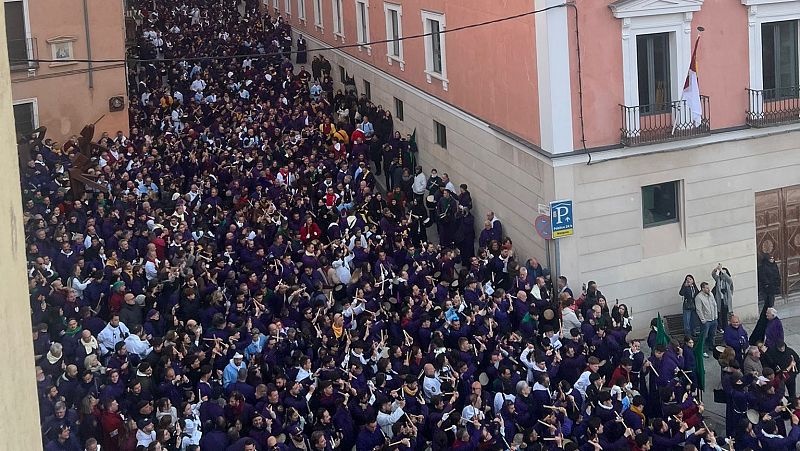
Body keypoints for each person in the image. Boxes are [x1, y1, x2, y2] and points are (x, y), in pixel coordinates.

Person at [694, 282, 717, 357]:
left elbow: (714, 305)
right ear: (702, 288)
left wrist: (716, 315)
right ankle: (702, 350)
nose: (708, 289)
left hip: (713, 318)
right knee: (704, 336)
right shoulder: (699, 297)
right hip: (706, 320)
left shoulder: (711, 294)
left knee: (712, 334)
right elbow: (699, 309)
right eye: (706, 288)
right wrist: (703, 319)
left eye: (708, 287)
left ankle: (711, 346)